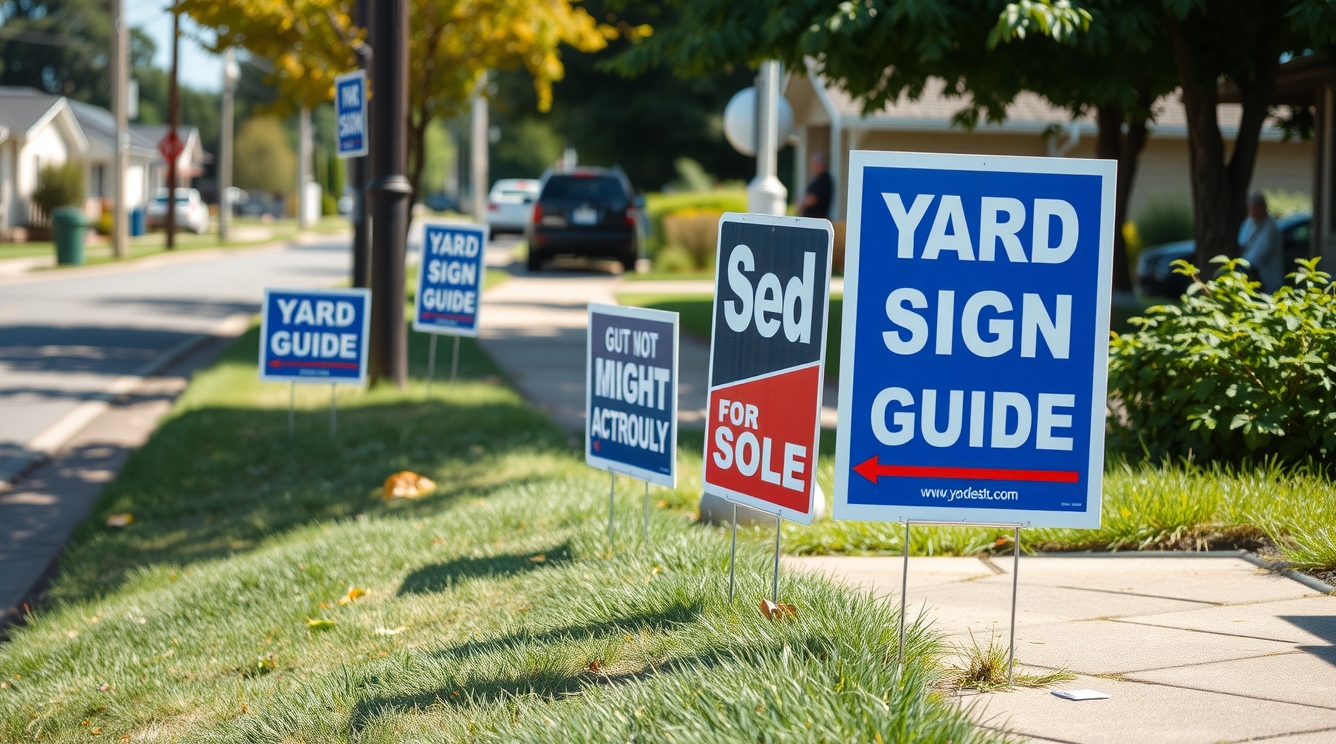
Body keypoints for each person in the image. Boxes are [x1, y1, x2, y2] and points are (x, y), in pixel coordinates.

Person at [1238, 192, 1284, 293]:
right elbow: (1242, 244)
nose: (1252, 211)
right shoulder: (1248, 223)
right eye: (1250, 208)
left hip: (1267, 278)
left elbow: (1258, 256)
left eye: (1255, 208)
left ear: (1263, 207)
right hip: (1251, 277)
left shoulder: (1270, 228)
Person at [800, 152, 833, 219]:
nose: (813, 167)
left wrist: (801, 203)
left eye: (816, 164)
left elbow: (813, 199)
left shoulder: (824, 180)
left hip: (817, 218)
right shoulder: (816, 179)